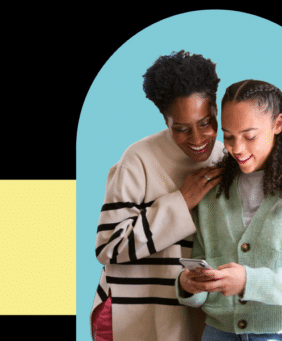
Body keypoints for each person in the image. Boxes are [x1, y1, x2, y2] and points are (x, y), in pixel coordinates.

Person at [176, 79, 282, 341]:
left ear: (278, 124)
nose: (237, 148)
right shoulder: (214, 187)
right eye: (228, 136)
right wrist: (188, 286)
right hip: (217, 333)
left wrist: (248, 282)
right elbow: (200, 269)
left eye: (249, 136)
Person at [91, 50, 225, 341]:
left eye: (205, 122)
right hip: (135, 316)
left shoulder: (227, 158)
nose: (197, 139)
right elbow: (108, 247)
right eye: (181, 129)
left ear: (216, 110)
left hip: (195, 318)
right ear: (166, 120)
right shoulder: (138, 159)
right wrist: (181, 202)